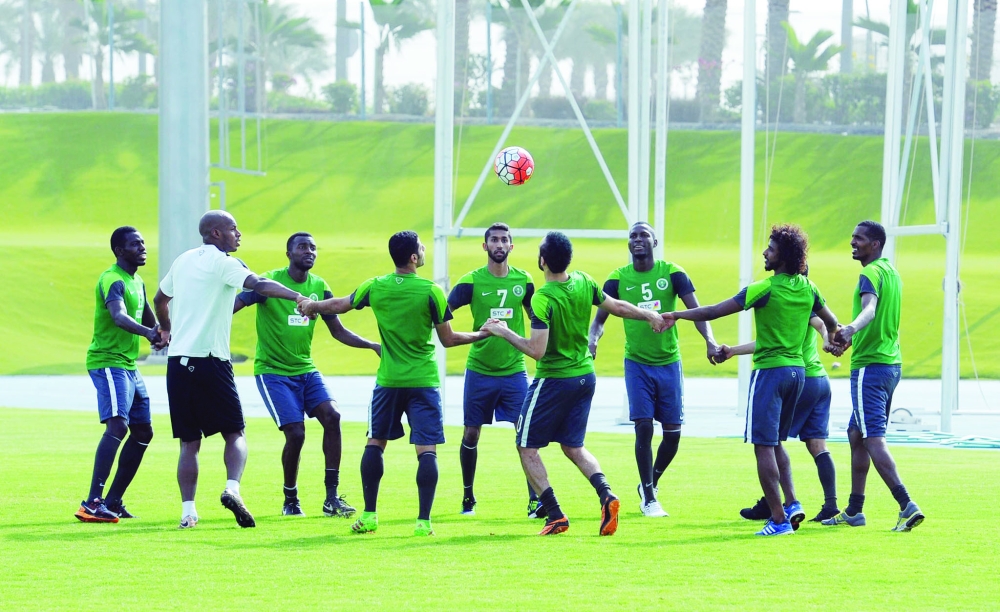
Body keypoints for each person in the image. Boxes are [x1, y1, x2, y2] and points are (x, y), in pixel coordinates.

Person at [300, 230, 488, 537]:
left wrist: (312, 306)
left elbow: (340, 305)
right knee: (426, 450)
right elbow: (449, 339)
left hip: (388, 381)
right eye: (421, 247)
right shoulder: (431, 291)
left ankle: (369, 516)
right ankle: (423, 522)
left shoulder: (375, 286)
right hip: (423, 382)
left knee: (375, 443)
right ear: (413, 257)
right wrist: (483, 333)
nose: (424, 250)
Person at [482, 231, 670, 536]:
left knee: (525, 446)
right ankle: (606, 495)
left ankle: (555, 514)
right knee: (573, 446)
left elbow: (536, 350)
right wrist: (648, 314)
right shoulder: (584, 281)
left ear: (542, 261)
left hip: (555, 379)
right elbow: (618, 307)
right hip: (585, 376)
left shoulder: (543, 298)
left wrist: (503, 331)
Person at [662, 225, 840, 536]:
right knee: (776, 443)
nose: (765, 253)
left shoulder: (764, 288)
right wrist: (834, 339)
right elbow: (832, 322)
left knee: (762, 446)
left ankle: (778, 520)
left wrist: (676, 315)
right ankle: (792, 503)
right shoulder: (809, 288)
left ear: (783, 256)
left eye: (770, 249)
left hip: (770, 373)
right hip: (798, 373)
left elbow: (714, 311)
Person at [153, 210, 314, 530]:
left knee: (189, 442)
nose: (238, 234)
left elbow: (160, 299)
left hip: (178, 362)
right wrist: (297, 295)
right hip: (211, 359)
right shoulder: (225, 263)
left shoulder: (182, 260)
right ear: (216, 233)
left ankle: (188, 513)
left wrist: (166, 329)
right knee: (235, 433)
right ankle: (232, 488)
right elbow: (259, 284)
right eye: (233, 229)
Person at [233, 232, 380, 518]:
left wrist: (371, 345)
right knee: (296, 433)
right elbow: (233, 306)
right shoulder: (268, 282)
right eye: (302, 247)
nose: (309, 251)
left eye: (313, 247)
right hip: (273, 372)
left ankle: (331, 498)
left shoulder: (319, 287)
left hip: (306, 370)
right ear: (288, 254)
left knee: (333, 416)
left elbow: (338, 331)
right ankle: (291, 498)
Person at [588, 221, 720, 518]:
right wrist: (592, 341)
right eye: (633, 235)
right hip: (637, 363)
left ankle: (650, 482)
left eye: (644, 235)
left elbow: (697, 312)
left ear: (654, 242)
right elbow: (599, 320)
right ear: (628, 243)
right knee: (644, 426)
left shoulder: (672, 273)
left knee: (672, 435)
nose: (637, 239)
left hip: (669, 362)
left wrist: (710, 341)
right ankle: (649, 497)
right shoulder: (617, 278)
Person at [822, 220, 924, 532]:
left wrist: (850, 328)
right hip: (890, 364)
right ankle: (854, 511)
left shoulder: (869, 274)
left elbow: (870, 310)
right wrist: (850, 339)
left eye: (859, 239)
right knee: (856, 434)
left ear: (875, 244)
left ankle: (907, 504)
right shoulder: (891, 272)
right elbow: (880, 322)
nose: (853, 243)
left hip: (870, 368)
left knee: (872, 437)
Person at [719, 266, 843, 523]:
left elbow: (820, 324)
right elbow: (773, 340)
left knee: (770, 441)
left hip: (799, 378)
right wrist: (734, 350)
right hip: (820, 379)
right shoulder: (806, 297)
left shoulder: (794, 299)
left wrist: (826, 337)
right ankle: (831, 504)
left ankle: (776, 505)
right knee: (817, 446)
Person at [447, 222, 538, 517]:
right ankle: (468, 497)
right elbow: (443, 311)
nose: (499, 244)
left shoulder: (524, 281)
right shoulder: (471, 282)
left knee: (525, 434)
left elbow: (538, 319)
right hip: (480, 370)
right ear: (485, 246)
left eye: (504, 240)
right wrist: (472, 335)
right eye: (494, 240)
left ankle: (535, 500)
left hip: (514, 371)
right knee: (471, 433)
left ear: (511, 246)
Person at [76, 226, 165, 523]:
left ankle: (113, 501)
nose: (143, 248)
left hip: (128, 365)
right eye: (135, 244)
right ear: (119, 250)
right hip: (108, 361)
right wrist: (148, 334)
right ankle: (92, 503)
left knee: (143, 432)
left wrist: (162, 333)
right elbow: (119, 317)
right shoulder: (112, 279)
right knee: (117, 425)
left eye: (143, 243)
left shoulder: (136, 281)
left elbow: (148, 316)